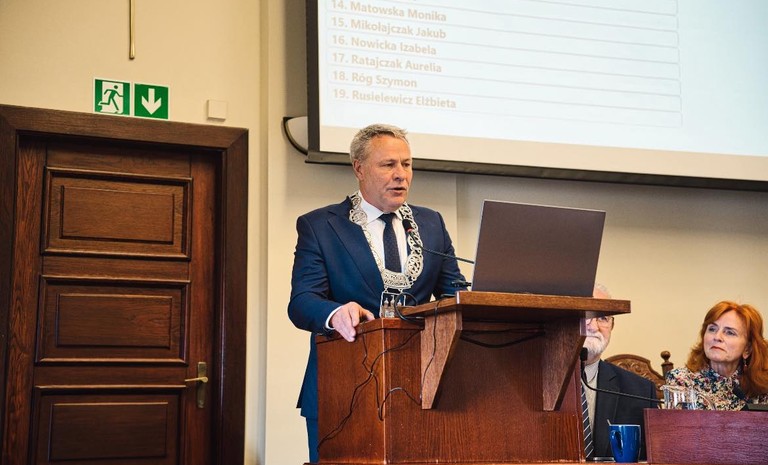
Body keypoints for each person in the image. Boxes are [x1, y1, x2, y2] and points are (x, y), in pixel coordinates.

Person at [288, 123, 467, 463]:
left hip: (422, 389)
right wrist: (335, 313)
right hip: (343, 388)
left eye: (407, 164)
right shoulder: (320, 225)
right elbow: (302, 301)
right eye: (388, 165)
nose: (401, 175)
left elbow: (454, 293)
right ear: (359, 168)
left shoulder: (431, 223)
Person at [582, 285, 658, 460]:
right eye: (585, 315)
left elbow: (650, 458)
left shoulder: (641, 391)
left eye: (602, 318)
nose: (593, 326)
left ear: (612, 326)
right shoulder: (533, 383)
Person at [665, 300, 768, 410]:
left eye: (730, 332)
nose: (717, 337)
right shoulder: (681, 380)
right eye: (712, 329)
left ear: (747, 349)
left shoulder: (761, 386)